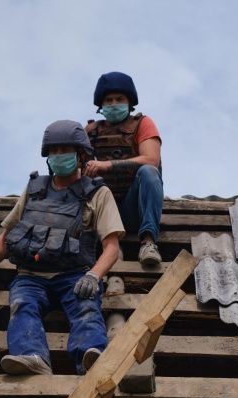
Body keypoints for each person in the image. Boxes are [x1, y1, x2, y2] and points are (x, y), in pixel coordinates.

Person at [0, 120, 124, 376]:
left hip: (74, 275)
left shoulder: (97, 193)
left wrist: (94, 275)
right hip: (30, 276)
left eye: (65, 151)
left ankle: (91, 357)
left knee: (86, 307)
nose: (59, 157)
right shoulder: (35, 189)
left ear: (80, 155)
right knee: (22, 304)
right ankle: (32, 356)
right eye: (54, 152)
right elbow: (7, 236)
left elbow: (111, 247)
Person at [83, 71, 163, 267]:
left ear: (130, 102)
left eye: (119, 99)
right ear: (101, 105)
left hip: (132, 209)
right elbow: (77, 170)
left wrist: (107, 165)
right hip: (102, 213)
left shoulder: (143, 123)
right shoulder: (90, 132)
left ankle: (148, 242)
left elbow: (151, 159)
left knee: (149, 172)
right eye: (108, 100)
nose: (113, 103)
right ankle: (108, 244)